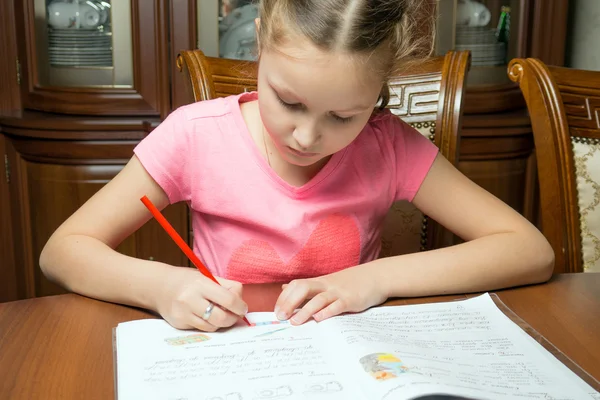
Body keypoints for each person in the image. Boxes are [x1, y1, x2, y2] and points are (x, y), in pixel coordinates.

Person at [39, 0, 554, 333]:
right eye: (287, 101)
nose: (307, 137)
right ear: (260, 41)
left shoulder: (389, 145)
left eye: (343, 116)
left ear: (380, 90)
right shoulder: (196, 135)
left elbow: (529, 250)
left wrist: (373, 279)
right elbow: (62, 251)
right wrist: (161, 287)